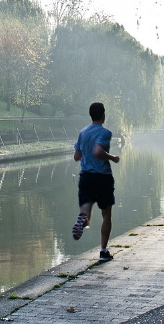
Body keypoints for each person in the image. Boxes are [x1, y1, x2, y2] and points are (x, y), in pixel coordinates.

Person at [72, 102, 120, 262]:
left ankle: (82, 219)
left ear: (91, 115)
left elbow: (76, 156)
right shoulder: (105, 132)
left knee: (85, 213)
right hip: (102, 177)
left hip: (85, 177)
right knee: (106, 214)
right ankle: (103, 251)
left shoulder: (83, 132)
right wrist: (112, 157)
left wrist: (86, 155)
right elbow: (98, 151)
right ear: (103, 115)